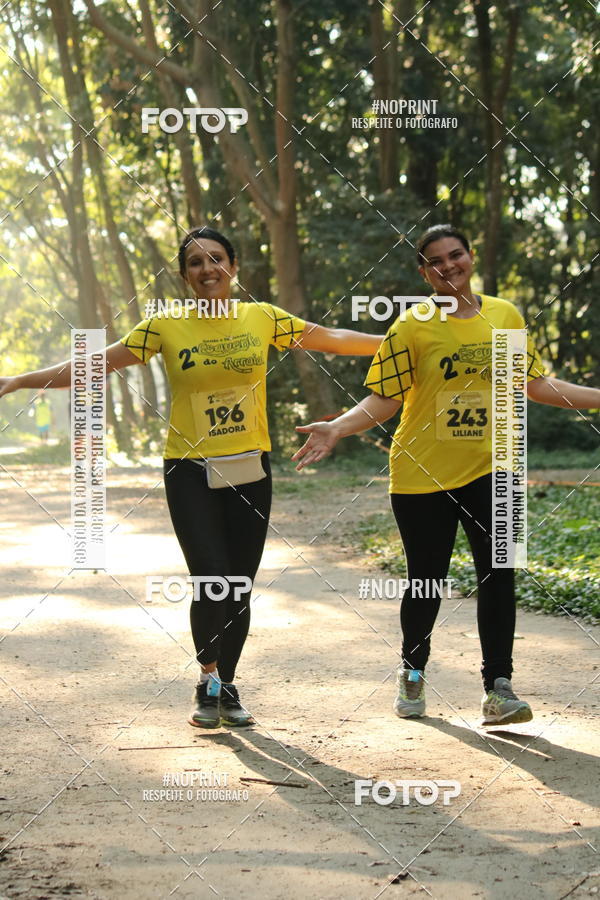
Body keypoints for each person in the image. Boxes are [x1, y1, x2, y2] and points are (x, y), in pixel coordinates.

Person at [0, 226, 383, 729]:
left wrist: (404, 340)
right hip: (189, 469)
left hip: (250, 467)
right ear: (184, 276)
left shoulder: (262, 318)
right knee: (212, 578)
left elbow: (332, 338)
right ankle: (207, 678)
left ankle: (225, 684)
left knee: (240, 585)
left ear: (234, 266)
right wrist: (19, 380)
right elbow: (97, 363)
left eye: (216, 259)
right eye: (196, 263)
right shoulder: (165, 326)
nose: (208, 270)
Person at [293, 224, 600, 726]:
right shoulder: (412, 326)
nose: (448, 265)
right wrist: (338, 428)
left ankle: (498, 688)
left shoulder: (505, 316)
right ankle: (412, 670)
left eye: (455, 255)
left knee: (500, 575)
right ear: (424, 271)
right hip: (422, 475)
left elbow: (534, 385)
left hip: (494, 468)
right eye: (435, 260)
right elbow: (385, 399)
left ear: (471, 256)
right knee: (426, 581)